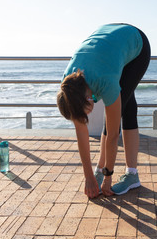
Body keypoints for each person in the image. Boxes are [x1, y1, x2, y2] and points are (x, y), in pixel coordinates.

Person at [57, 24, 151, 198]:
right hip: (110, 45)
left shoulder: (105, 81)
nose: (85, 118)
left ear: (88, 98)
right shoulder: (68, 86)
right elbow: (81, 132)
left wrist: (107, 175)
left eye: (85, 115)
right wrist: (88, 177)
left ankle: (131, 174)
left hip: (137, 44)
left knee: (121, 110)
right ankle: (102, 169)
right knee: (125, 101)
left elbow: (113, 134)